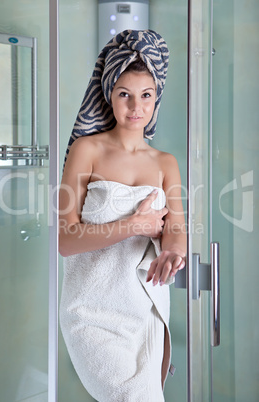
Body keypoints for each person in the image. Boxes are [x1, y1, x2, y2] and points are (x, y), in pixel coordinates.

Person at [59, 29, 186, 402]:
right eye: (124, 95)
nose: (136, 107)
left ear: (156, 98)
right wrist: (136, 225)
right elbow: (67, 240)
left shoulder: (166, 163)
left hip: (144, 311)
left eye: (146, 95)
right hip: (91, 313)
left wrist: (172, 252)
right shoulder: (87, 150)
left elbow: (176, 228)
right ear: (109, 95)